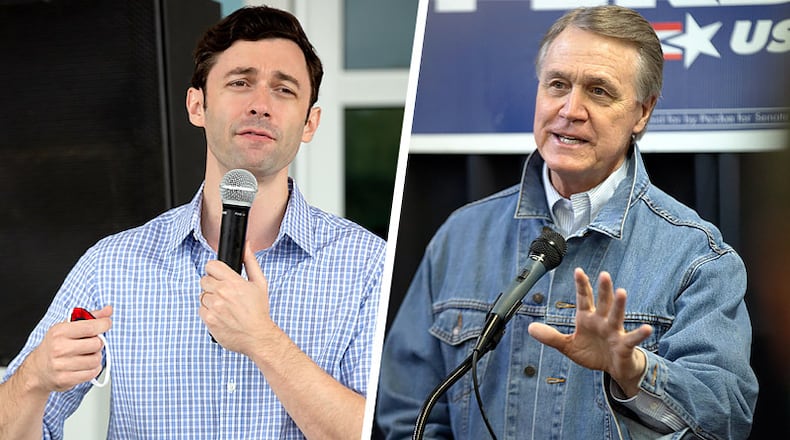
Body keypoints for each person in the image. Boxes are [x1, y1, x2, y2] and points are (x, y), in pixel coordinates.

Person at [0, 6, 385, 440]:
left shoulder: (368, 266)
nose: (260, 105)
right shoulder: (113, 265)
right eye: (240, 83)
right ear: (197, 105)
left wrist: (262, 340)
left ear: (309, 122)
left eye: (284, 90)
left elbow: (379, 430)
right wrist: (33, 378)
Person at [376, 5, 758, 440]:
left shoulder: (698, 258)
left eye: (599, 91)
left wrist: (634, 372)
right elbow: (407, 413)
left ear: (642, 113)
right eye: (558, 84)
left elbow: (727, 420)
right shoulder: (461, 236)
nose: (570, 109)